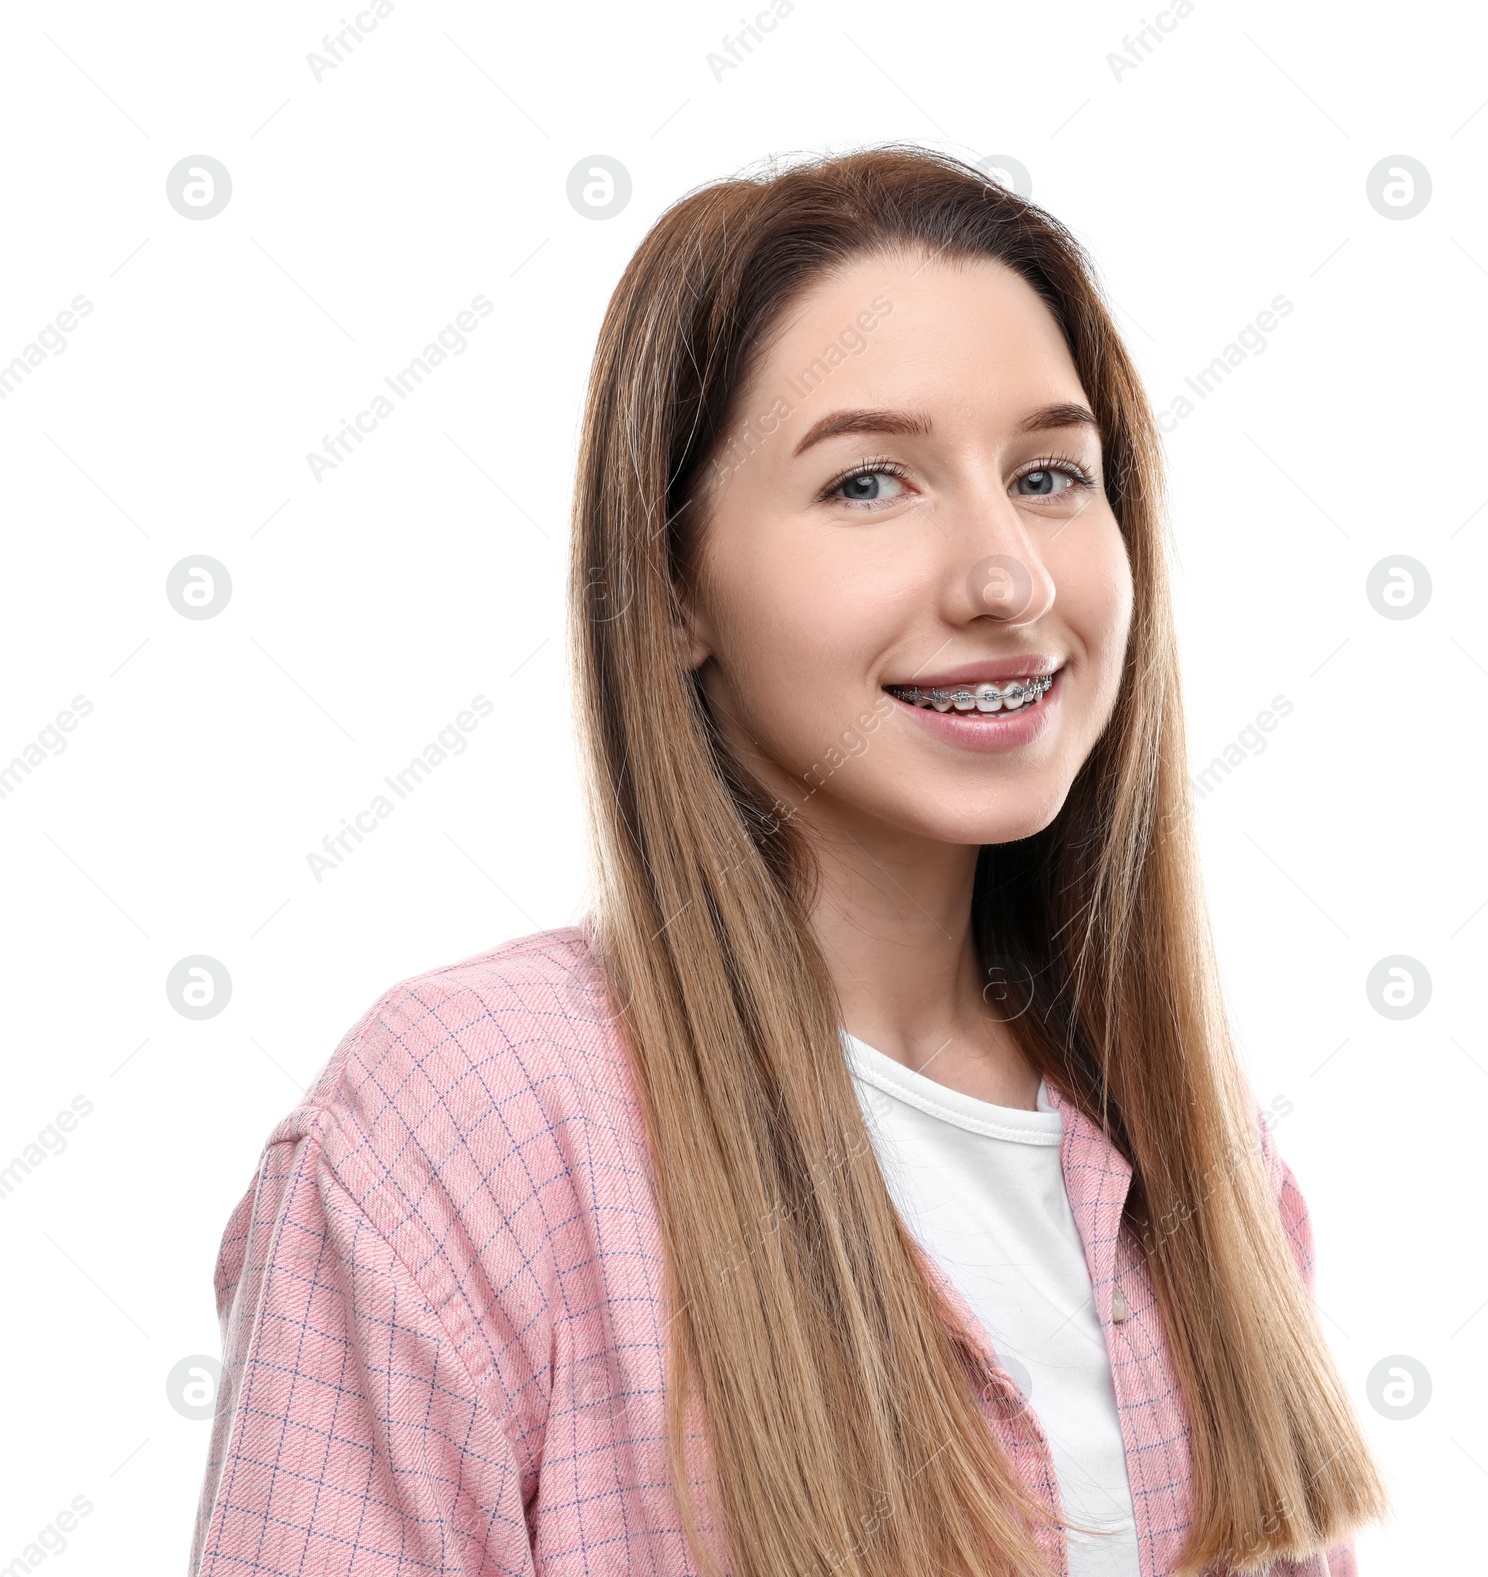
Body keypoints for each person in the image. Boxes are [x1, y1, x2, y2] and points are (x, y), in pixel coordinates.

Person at [189, 145, 1386, 1577]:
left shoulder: (1200, 1157)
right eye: (871, 482)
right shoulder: (473, 1123)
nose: (1005, 576)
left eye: (1051, 472)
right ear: (676, 581)